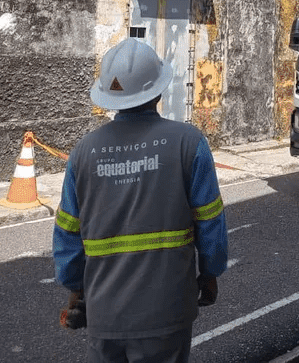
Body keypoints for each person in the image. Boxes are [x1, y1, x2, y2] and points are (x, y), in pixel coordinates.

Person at [53, 38, 229, 362]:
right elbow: (210, 221)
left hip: (104, 316)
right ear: (159, 90)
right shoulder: (189, 144)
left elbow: (67, 233)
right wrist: (210, 273)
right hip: (168, 312)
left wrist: (75, 288)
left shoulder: (83, 153)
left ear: (109, 96)